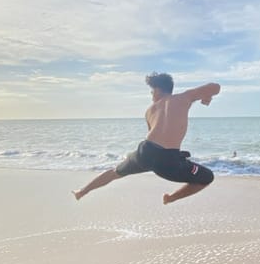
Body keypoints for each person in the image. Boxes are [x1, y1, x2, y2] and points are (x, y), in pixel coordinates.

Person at [73, 72, 221, 205]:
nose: (151, 95)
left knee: (114, 173)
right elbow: (215, 86)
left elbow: (156, 135)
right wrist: (206, 96)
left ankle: (83, 191)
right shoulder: (185, 97)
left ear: (157, 90)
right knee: (206, 177)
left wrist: (206, 95)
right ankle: (171, 198)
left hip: (145, 152)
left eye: (151, 91)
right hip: (168, 161)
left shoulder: (149, 111)